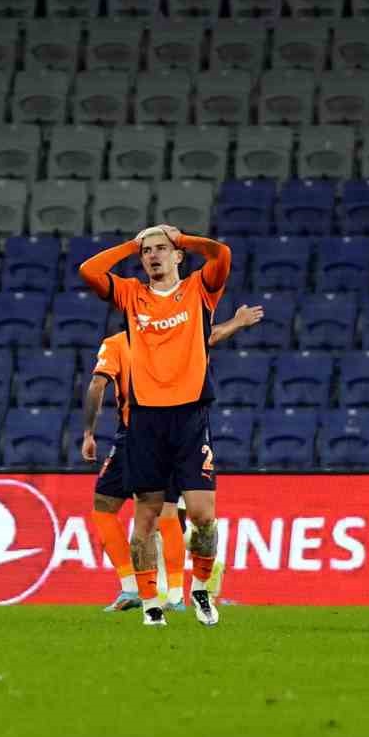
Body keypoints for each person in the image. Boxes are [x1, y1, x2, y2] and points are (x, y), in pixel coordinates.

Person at [78, 224, 231, 627]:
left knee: (202, 516)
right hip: (146, 419)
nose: (154, 255)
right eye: (148, 251)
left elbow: (222, 255)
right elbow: (89, 271)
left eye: (162, 249)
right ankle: (150, 605)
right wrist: (131, 243)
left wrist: (183, 238)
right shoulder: (132, 294)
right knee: (146, 516)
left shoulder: (199, 289)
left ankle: (200, 588)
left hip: (191, 416)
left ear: (178, 255)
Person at [84, 304, 263, 612]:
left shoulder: (115, 344)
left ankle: (135, 588)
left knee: (111, 508)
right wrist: (237, 322)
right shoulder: (174, 338)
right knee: (168, 513)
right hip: (174, 432)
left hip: (136, 433)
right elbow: (211, 336)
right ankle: (175, 594)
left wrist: (88, 431)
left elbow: (97, 384)